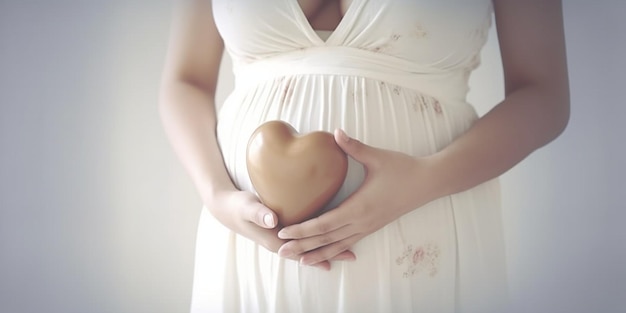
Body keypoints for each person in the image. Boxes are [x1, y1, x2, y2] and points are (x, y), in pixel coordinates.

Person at [159, 0, 569, 312]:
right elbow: (185, 79)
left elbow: (544, 94)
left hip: (429, 221)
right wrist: (217, 196)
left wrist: (425, 179)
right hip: (245, 245)